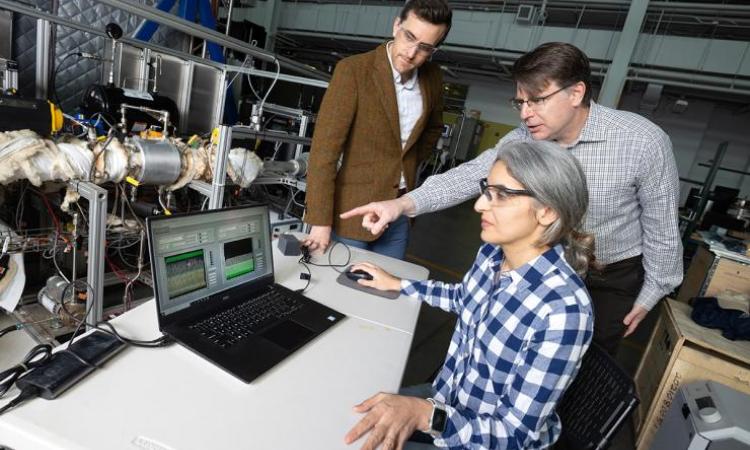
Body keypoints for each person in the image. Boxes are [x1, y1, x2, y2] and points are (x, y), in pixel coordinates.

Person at [342, 42, 683, 356]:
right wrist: (401, 204)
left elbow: (662, 227)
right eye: (521, 102)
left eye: (538, 100)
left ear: (576, 92)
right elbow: (469, 175)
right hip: (540, 264)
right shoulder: (525, 138)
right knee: (514, 352)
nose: (525, 113)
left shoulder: (642, 142)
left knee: (587, 363)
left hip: (608, 276)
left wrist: (651, 293)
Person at [344, 140, 594, 450]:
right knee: (347, 413)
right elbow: (465, 299)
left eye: (500, 195)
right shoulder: (492, 253)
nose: (479, 205)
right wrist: (399, 284)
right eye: (486, 190)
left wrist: (424, 416)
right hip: (447, 400)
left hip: (482, 439)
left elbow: (515, 436)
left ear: (547, 211)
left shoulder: (563, 311)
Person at [302, 0, 452, 260]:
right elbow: (324, 151)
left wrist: (406, 163)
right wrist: (320, 220)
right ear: (396, 26)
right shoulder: (354, 71)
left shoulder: (433, 77)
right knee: (339, 296)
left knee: (385, 293)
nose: (411, 52)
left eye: (425, 48)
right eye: (409, 37)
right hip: (353, 212)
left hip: (399, 213)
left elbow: (433, 128)